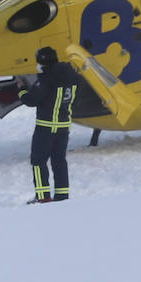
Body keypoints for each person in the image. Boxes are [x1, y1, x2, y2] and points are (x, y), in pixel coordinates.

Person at [20, 45, 82, 203]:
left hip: (46, 127)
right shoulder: (72, 77)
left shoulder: (47, 79)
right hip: (63, 127)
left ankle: (43, 197)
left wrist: (21, 90)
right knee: (59, 161)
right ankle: (62, 196)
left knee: (38, 161)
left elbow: (31, 100)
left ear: (43, 62)